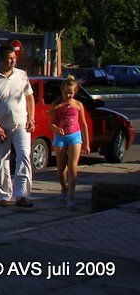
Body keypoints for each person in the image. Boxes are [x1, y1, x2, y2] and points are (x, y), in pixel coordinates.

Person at [0, 43, 35, 208]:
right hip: (1, 127)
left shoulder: (21, 75)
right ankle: (4, 195)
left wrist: (31, 118)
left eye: (14, 58)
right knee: (2, 160)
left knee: (24, 155)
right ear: (0, 60)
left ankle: (22, 195)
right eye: (9, 59)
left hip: (21, 124)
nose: (12, 61)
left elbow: (30, 97)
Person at [50, 75, 90, 210]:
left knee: (72, 167)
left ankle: (71, 198)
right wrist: (56, 128)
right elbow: (51, 124)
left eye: (71, 93)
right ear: (62, 91)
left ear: (75, 92)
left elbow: (83, 124)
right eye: (65, 92)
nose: (68, 95)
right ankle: (64, 187)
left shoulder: (78, 105)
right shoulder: (56, 105)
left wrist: (87, 142)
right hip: (60, 137)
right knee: (61, 169)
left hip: (75, 136)